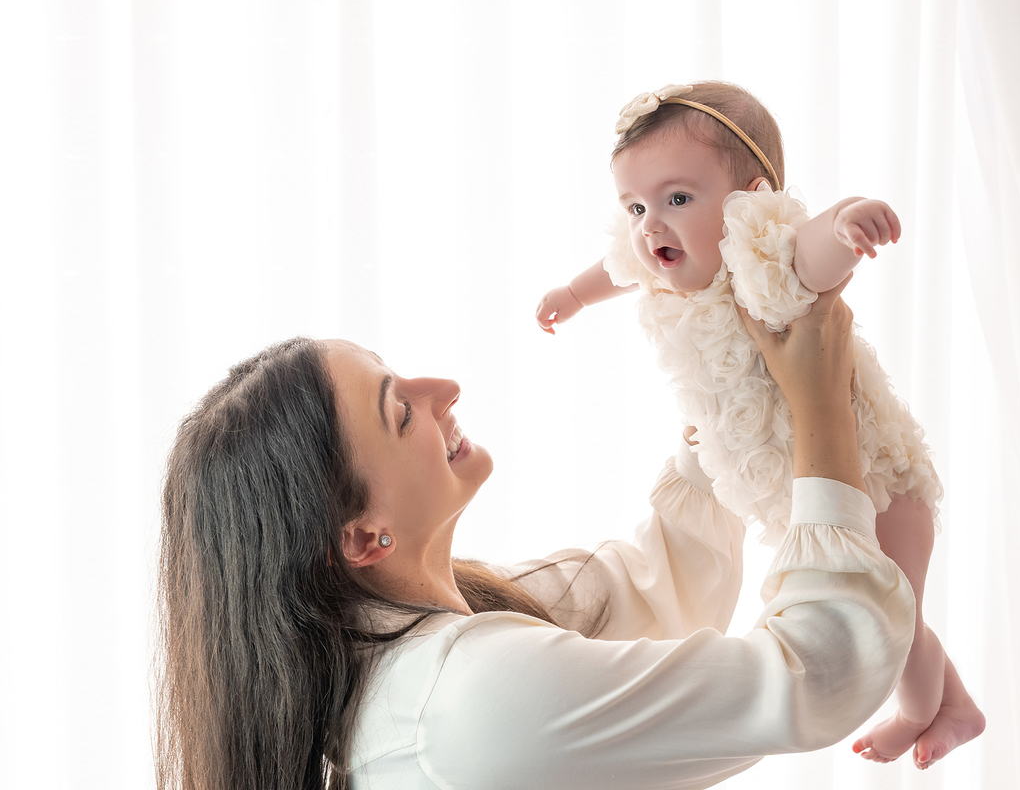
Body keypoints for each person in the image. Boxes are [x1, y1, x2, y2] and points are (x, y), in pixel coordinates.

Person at [154, 278, 912, 790]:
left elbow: (656, 580)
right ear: (363, 537)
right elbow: (818, 671)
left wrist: (731, 380)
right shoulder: (467, 702)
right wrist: (821, 411)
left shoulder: (423, 645)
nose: (443, 390)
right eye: (400, 411)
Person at [534, 81, 985, 768]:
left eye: (677, 198)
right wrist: (573, 294)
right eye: (636, 205)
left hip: (876, 488)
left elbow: (808, 255)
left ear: (750, 202)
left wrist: (842, 225)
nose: (651, 224)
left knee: (896, 624)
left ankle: (927, 711)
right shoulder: (656, 258)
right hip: (812, 491)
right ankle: (954, 705)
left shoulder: (761, 261)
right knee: (897, 608)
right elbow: (618, 267)